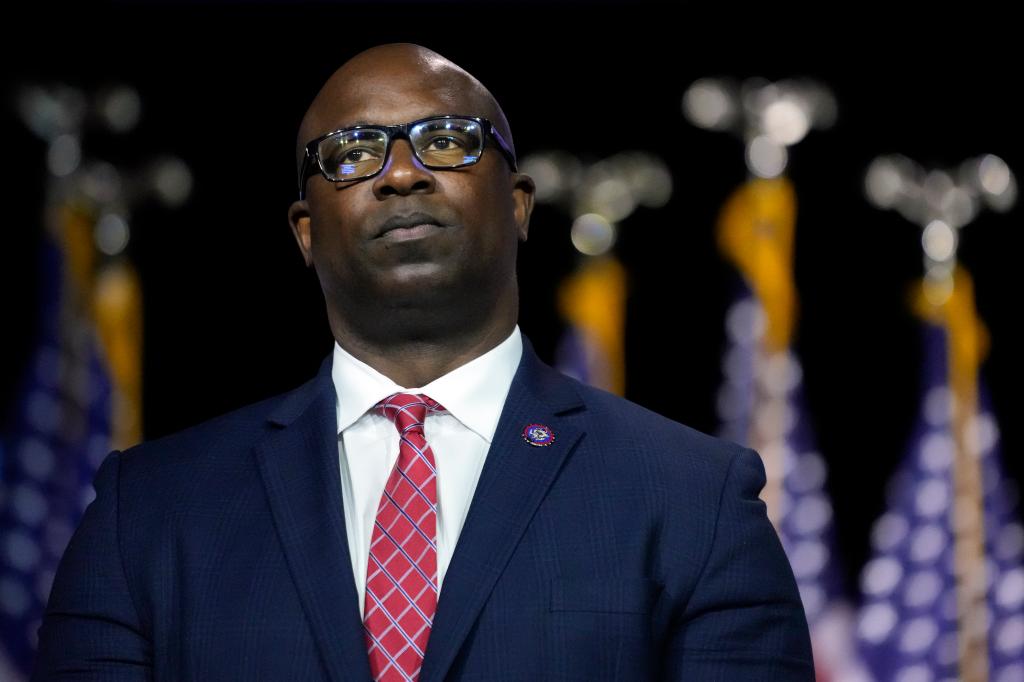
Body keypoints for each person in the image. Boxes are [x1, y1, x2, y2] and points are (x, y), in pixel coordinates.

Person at [32, 43, 813, 680]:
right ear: (306, 232)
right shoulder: (148, 513)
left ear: (518, 203)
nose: (400, 173)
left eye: (446, 141)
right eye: (353, 153)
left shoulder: (695, 500)